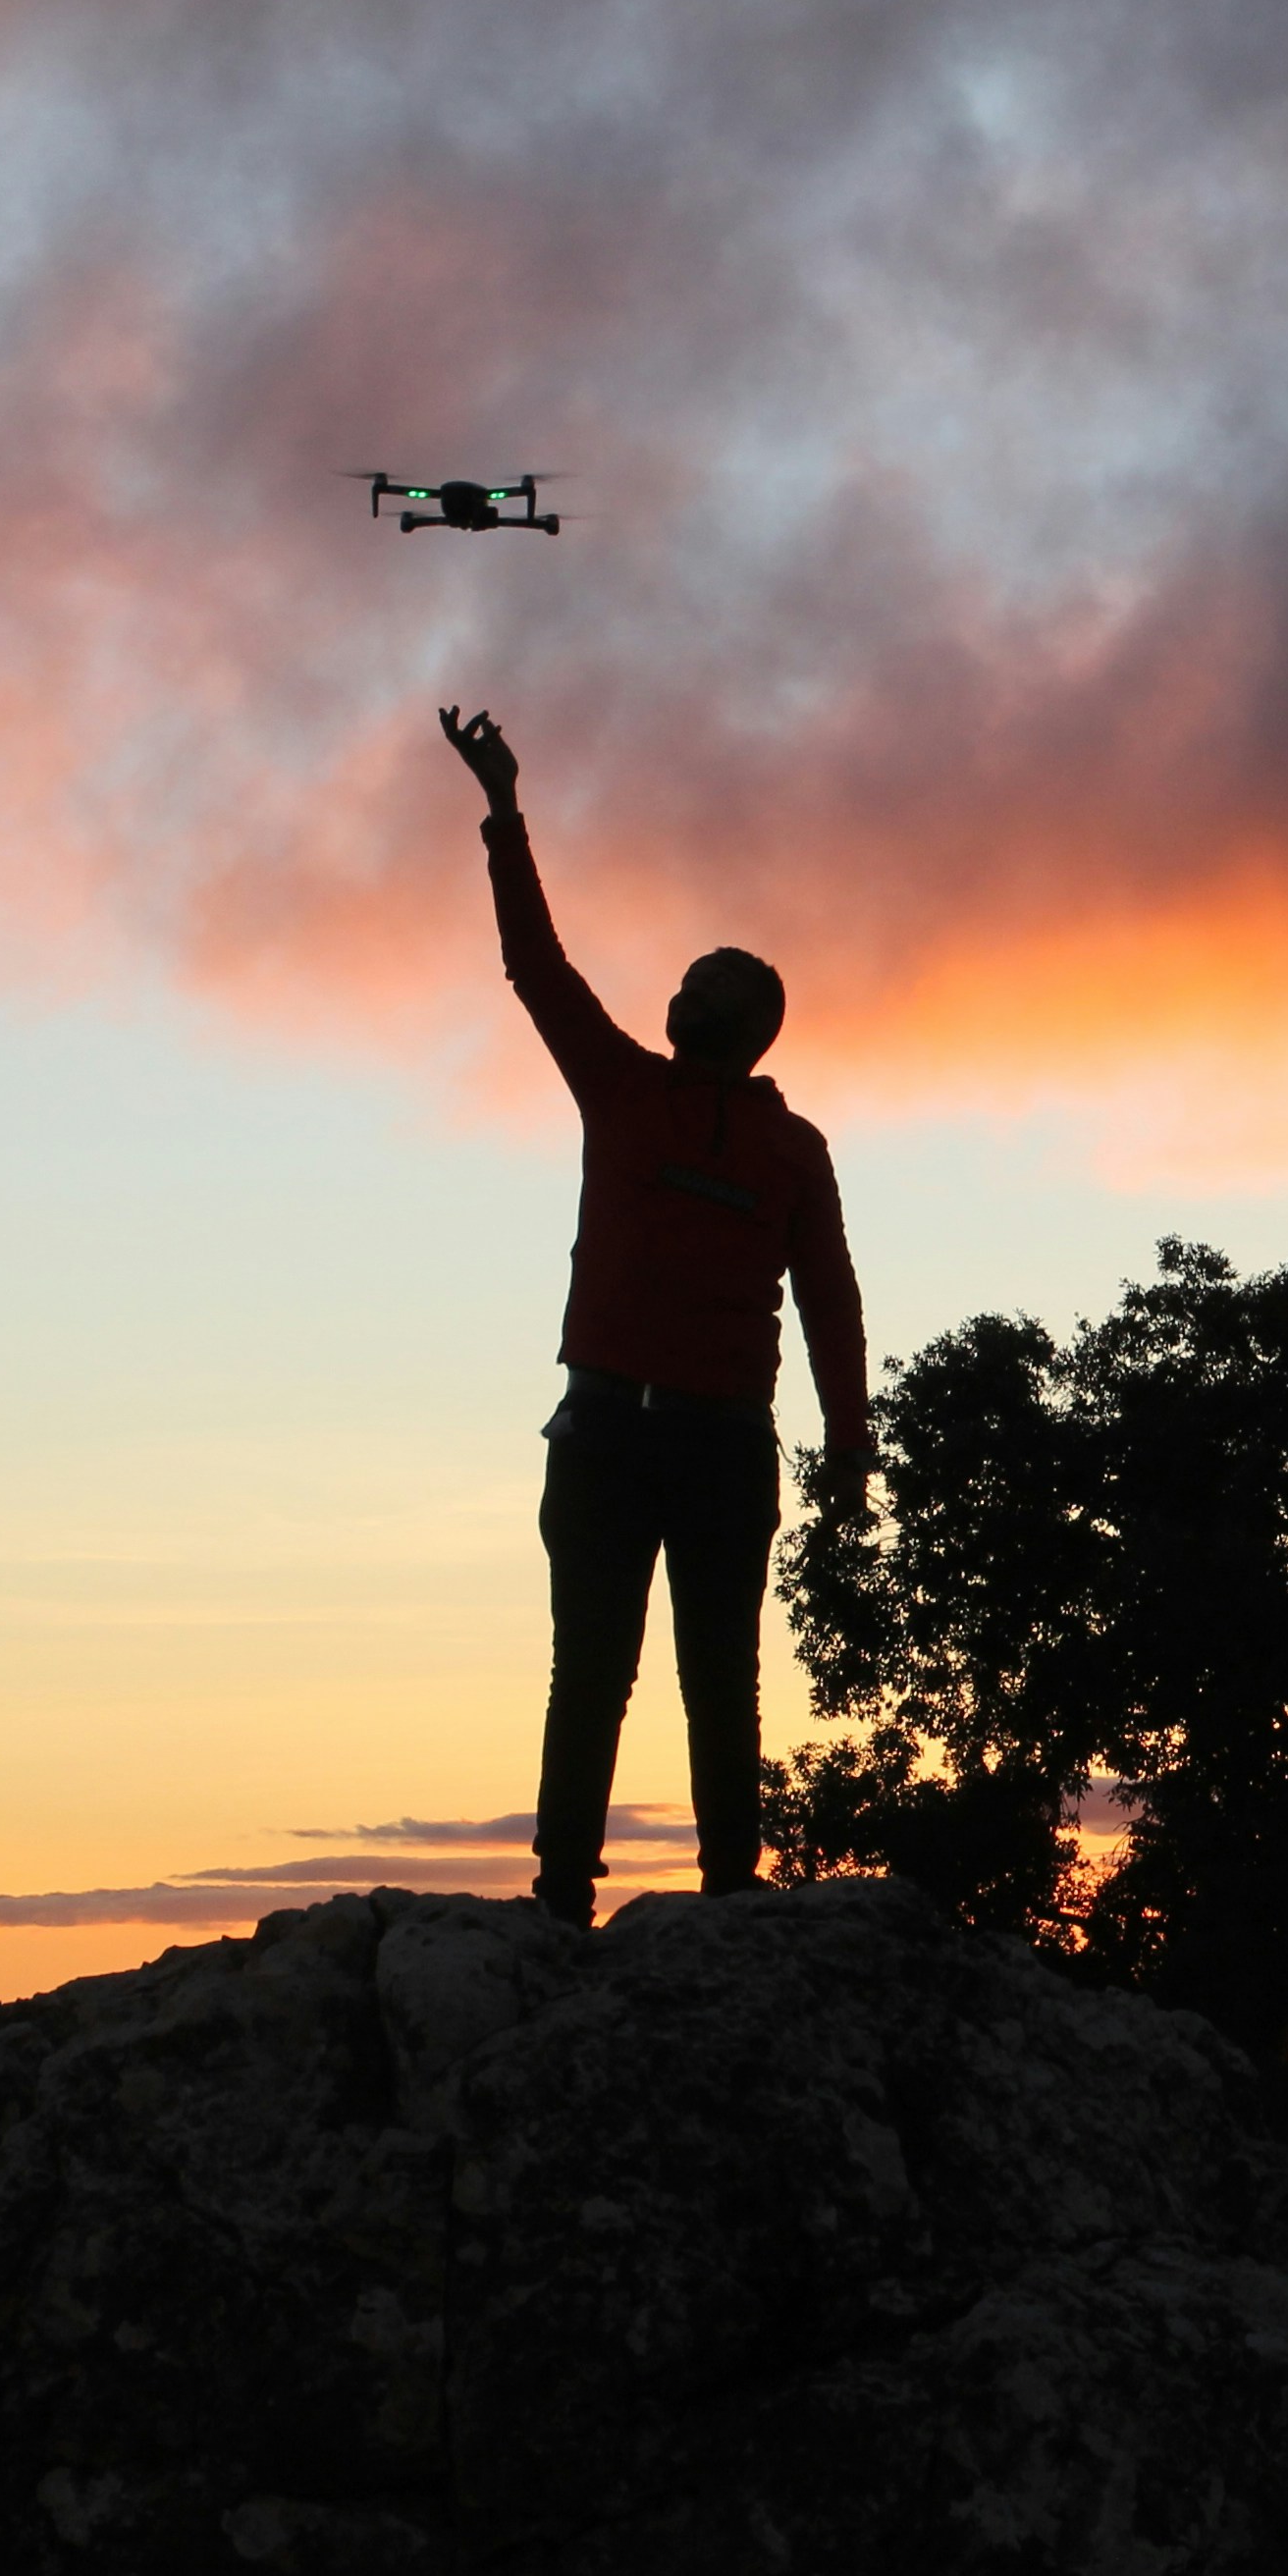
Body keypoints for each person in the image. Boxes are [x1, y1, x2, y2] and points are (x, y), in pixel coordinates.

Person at [446, 706, 870, 1921]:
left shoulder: (790, 1149)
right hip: (608, 1433)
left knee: (716, 1682)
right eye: (684, 984)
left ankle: (731, 1898)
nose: (680, 996)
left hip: (721, 1444)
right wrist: (505, 812)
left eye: (703, 990)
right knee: (592, 1673)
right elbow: (538, 966)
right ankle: (561, 1898)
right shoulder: (623, 1089)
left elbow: (833, 1304)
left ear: (742, 1029)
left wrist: (850, 1445)